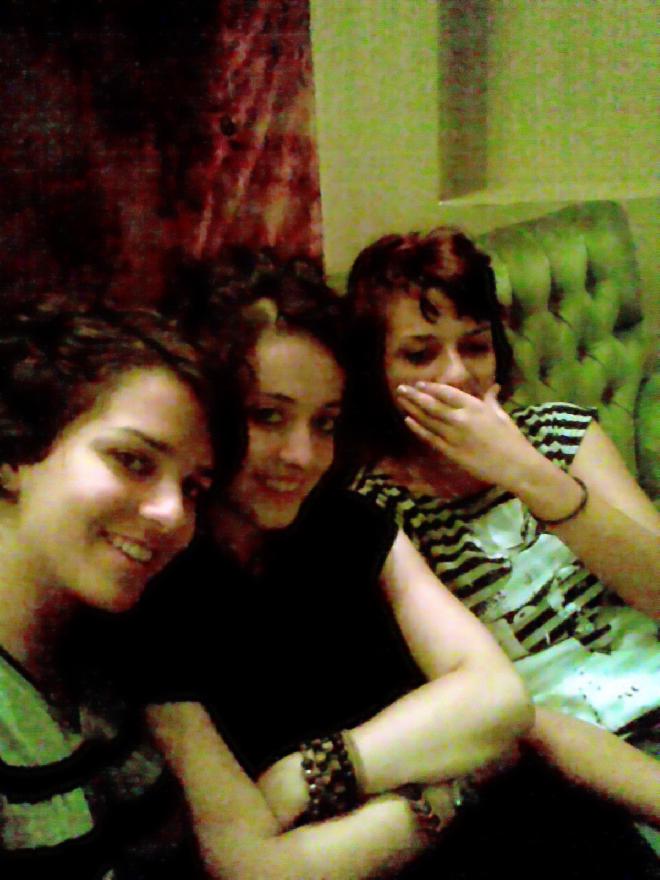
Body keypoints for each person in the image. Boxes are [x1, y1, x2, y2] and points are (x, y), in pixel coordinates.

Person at [121, 250, 534, 880]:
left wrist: (313, 773)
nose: (302, 455)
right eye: (268, 416)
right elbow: (251, 868)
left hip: (517, 836)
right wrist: (447, 790)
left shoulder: (350, 522)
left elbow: (500, 699)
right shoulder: (159, 587)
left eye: (325, 423)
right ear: (205, 408)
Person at [345, 227, 660, 833]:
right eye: (420, 355)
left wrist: (526, 472)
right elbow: (499, 712)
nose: (456, 374)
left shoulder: (558, 434)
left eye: (475, 346)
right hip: (585, 774)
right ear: (375, 372)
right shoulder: (375, 511)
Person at [0, 297, 220, 879]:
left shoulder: (98, 658)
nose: (174, 514)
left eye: (193, 488)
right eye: (133, 460)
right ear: (14, 454)